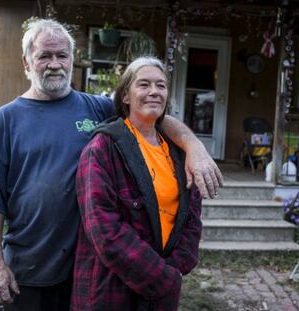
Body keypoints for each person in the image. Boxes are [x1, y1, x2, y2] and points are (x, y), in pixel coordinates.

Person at [0, 19, 220, 310]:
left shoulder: (96, 108)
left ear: (72, 60)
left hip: (87, 267)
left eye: (62, 55)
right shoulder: (6, 120)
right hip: (32, 266)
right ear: (27, 62)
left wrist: (193, 145)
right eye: (44, 56)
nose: (54, 64)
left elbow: (150, 114)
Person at [71, 57, 202, 311]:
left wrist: (172, 271)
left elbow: (192, 218)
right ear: (126, 97)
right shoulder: (102, 149)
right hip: (110, 287)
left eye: (161, 86)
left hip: (161, 293)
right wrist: (163, 277)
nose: (154, 92)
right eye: (144, 85)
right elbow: (104, 230)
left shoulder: (179, 152)